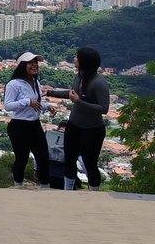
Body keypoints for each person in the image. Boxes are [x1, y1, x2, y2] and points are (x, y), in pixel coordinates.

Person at [46, 46, 110, 191]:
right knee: (69, 159)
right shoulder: (80, 76)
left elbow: (104, 108)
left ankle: (94, 191)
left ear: (84, 62)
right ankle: (68, 189)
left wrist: (78, 102)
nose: (74, 59)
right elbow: (72, 94)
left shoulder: (99, 83)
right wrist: (50, 92)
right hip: (74, 125)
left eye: (77, 57)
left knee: (90, 162)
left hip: (92, 129)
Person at [3, 51, 53, 188]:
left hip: (34, 124)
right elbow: (8, 106)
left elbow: (35, 104)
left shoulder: (35, 82)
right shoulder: (13, 84)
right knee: (22, 158)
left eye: (35, 62)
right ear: (22, 65)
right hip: (19, 125)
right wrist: (26, 101)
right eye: (30, 62)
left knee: (43, 158)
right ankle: (18, 185)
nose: (34, 65)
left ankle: (45, 187)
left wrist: (47, 107)